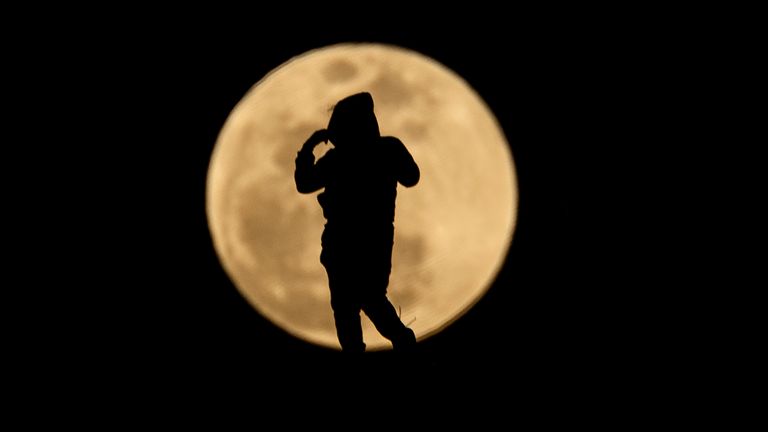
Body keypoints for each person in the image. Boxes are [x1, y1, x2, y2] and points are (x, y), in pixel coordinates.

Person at [294, 92, 420, 353]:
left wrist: (309, 147)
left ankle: (400, 341)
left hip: (353, 239)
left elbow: (304, 182)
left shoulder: (342, 158)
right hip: (365, 238)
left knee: (355, 304)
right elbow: (411, 177)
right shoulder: (383, 149)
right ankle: (401, 341)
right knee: (360, 302)